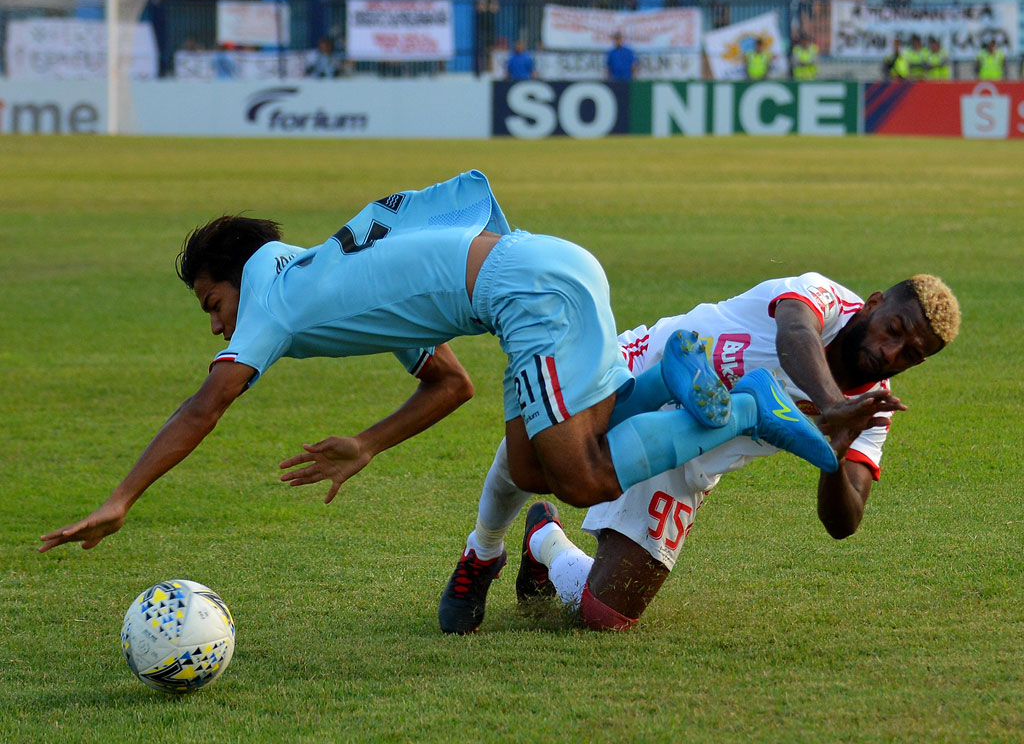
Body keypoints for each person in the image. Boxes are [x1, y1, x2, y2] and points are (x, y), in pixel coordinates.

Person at [39, 172, 840, 554]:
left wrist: (121, 499)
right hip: (543, 275)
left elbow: (204, 406)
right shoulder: (330, 277)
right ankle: (672, 378)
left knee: (586, 479)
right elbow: (450, 382)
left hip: (530, 293)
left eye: (211, 305)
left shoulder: (271, 298)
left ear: (236, 276)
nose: (217, 328)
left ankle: (746, 407)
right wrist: (368, 443)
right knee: (530, 464)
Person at [437, 272, 957, 634]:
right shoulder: (821, 297)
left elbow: (845, 521)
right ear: (871, 304)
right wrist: (830, 405)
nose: (891, 353)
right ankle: (483, 550)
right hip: (644, 367)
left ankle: (545, 543)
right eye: (894, 331)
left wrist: (831, 453)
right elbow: (794, 334)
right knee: (541, 451)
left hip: (691, 457)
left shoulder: (873, 411)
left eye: (911, 355)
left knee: (606, 616)